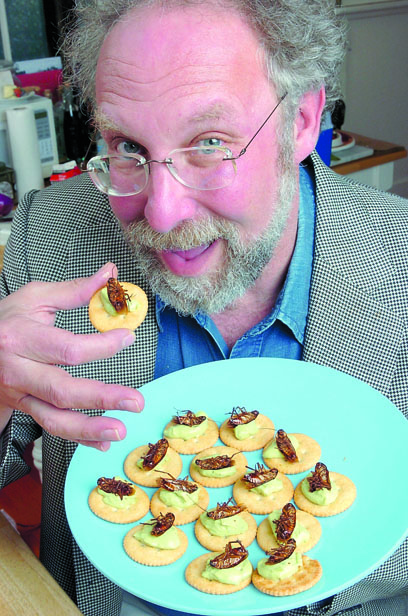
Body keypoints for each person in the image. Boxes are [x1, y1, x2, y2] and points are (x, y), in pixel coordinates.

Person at [0, 1, 407, 615]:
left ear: (300, 122)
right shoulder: (49, 238)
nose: (161, 213)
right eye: (127, 147)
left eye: (210, 144)